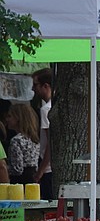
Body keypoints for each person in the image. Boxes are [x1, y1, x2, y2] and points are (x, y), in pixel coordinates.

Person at [31, 68, 53, 200]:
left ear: (45, 86)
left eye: (35, 85)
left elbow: (50, 143)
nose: (34, 89)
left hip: (48, 168)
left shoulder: (46, 110)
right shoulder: (52, 106)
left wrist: (40, 171)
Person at [6, 103, 39, 184]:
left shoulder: (16, 140)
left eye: (10, 116)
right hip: (32, 179)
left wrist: (6, 168)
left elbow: (17, 169)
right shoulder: (34, 139)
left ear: (18, 118)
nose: (7, 119)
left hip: (19, 182)